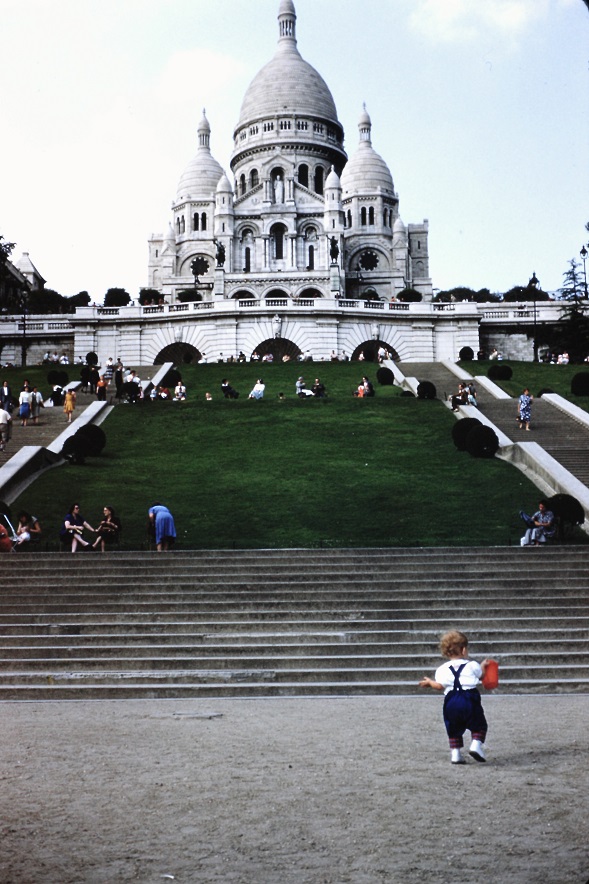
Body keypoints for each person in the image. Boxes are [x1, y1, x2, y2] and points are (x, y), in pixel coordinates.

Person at [419, 630, 491, 765]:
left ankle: (456, 754)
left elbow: (439, 686)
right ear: (463, 650)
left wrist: (429, 683)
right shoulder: (472, 665)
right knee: (478, 724)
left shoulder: (441, 669)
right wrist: (483, 666)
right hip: (469, 698)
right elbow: (480, 675)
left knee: (453, 726)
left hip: (451, 700)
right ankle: (476, 745)